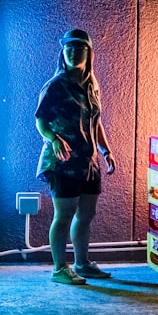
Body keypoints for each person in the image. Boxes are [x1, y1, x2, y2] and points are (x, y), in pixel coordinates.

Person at [35, 28, 117, 285]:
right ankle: (60, 268)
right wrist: (54, 139)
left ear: (88, 52)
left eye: (79, 48)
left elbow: (97, 121)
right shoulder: (56, 85)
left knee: (86, 213)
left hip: (88, 161)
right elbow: (40, 121)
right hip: (63, 162)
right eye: (69, 48)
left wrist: (105, 150)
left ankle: (82, 263)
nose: (73, 52)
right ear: (63, 52)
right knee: (65, 213)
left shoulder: (92, 84)